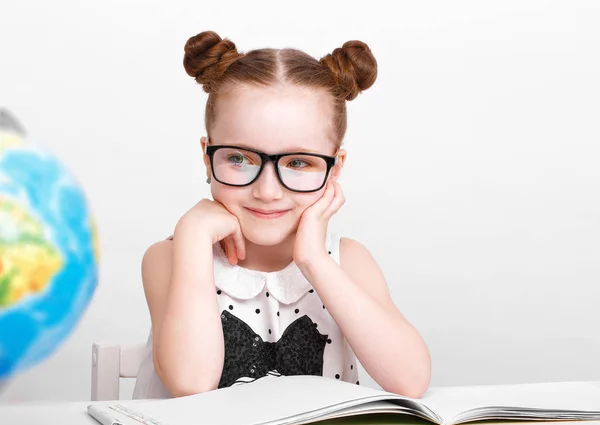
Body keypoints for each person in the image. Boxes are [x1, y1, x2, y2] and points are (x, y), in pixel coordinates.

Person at [132, 30, 431, 400]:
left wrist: (313, 260)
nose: (268, 191)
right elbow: (191, 383)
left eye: (298, 162)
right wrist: (192, 234)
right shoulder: (171, 257)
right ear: (207, 157)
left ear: (334, 169)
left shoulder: (347, 261)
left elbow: (410, 381)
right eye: (239, 158)